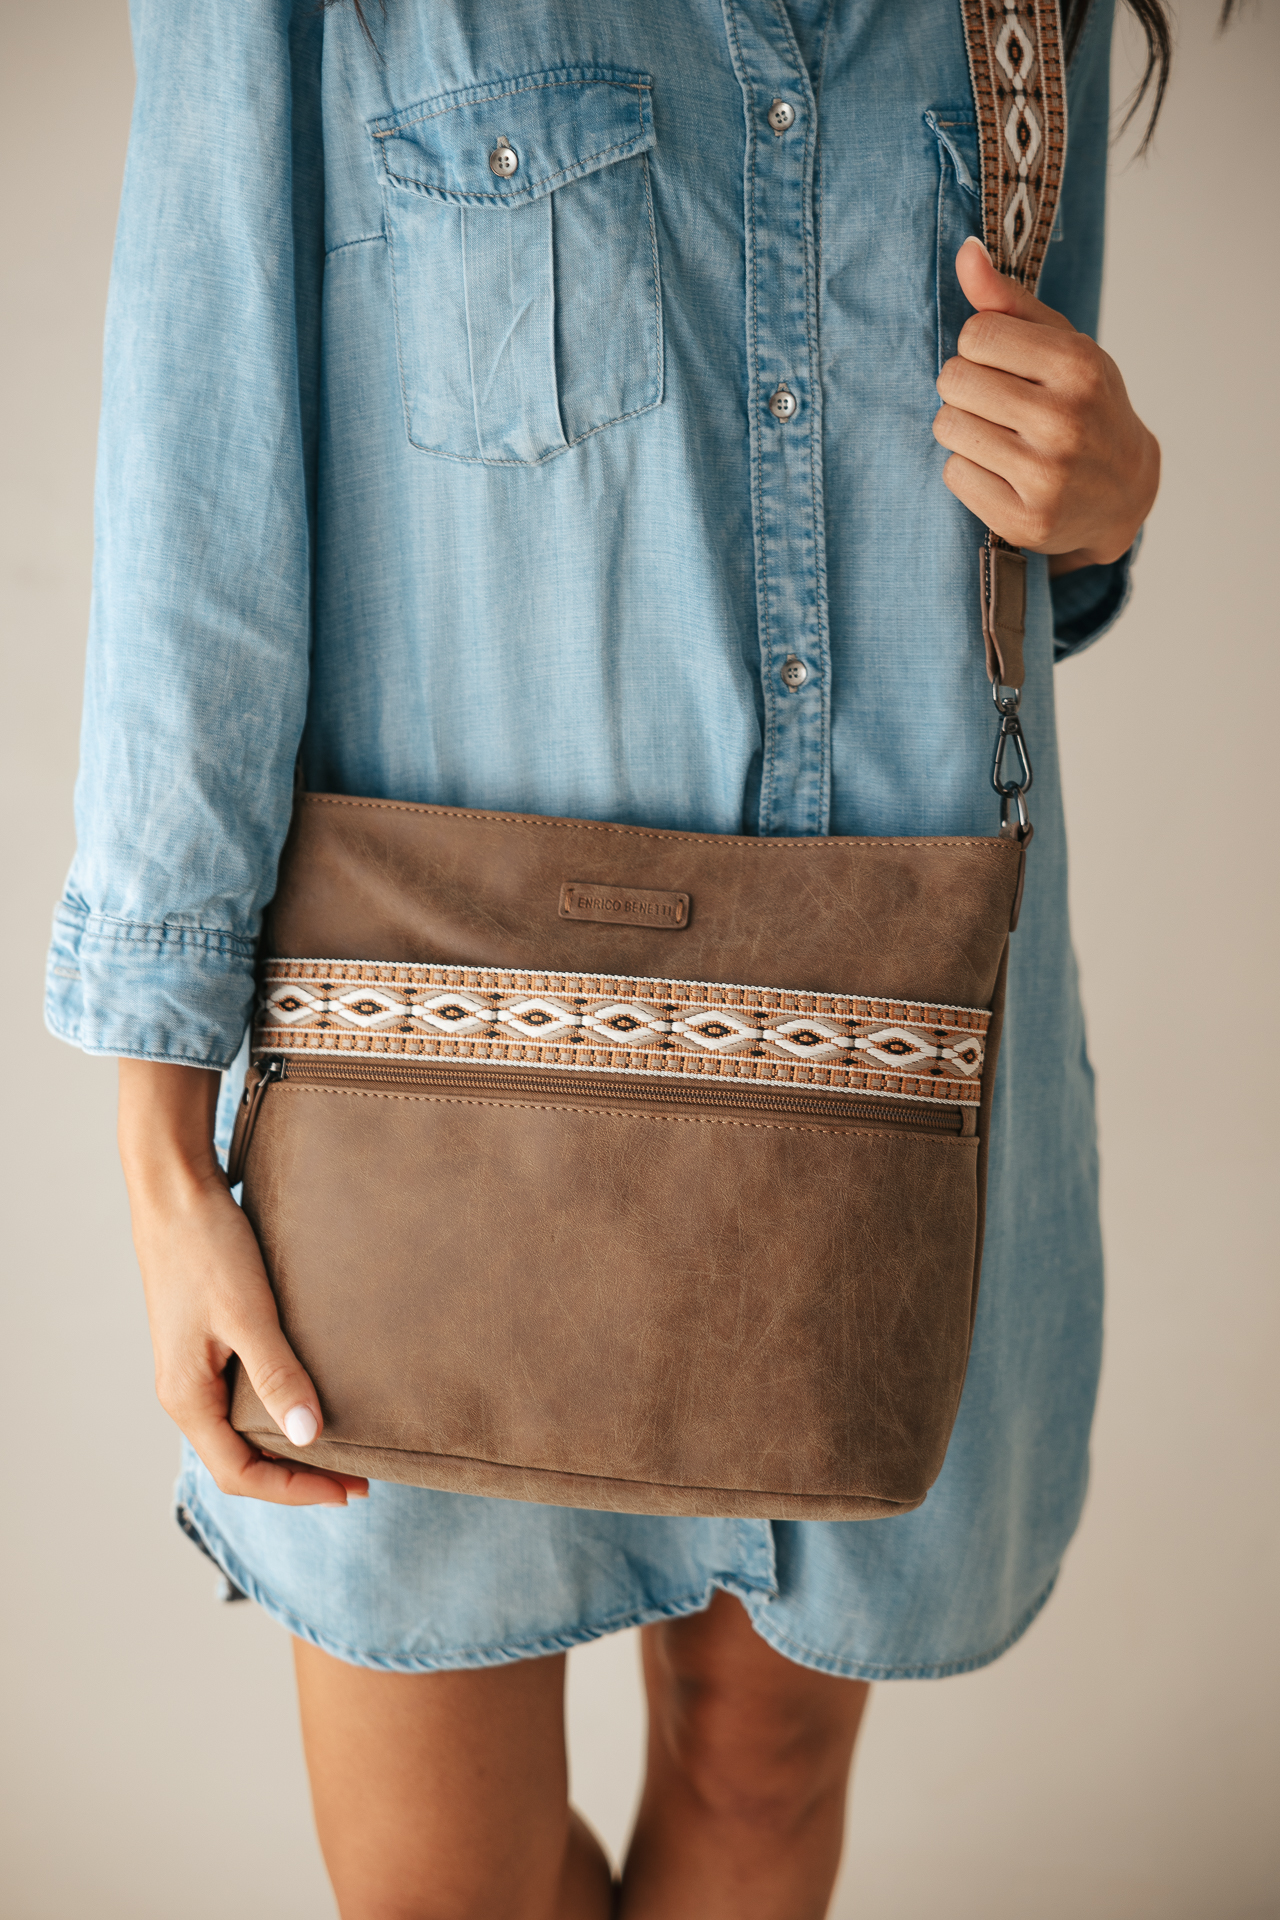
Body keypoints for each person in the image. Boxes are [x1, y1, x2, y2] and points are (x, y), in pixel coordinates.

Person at [48, 1, 1163, 1914]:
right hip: (442, 1093)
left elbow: (1008, 535)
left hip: (881, 1072)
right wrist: (159, 1156)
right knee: (439, 1890)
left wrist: (1104, 502)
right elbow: (196, 492)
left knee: (760, 1771)